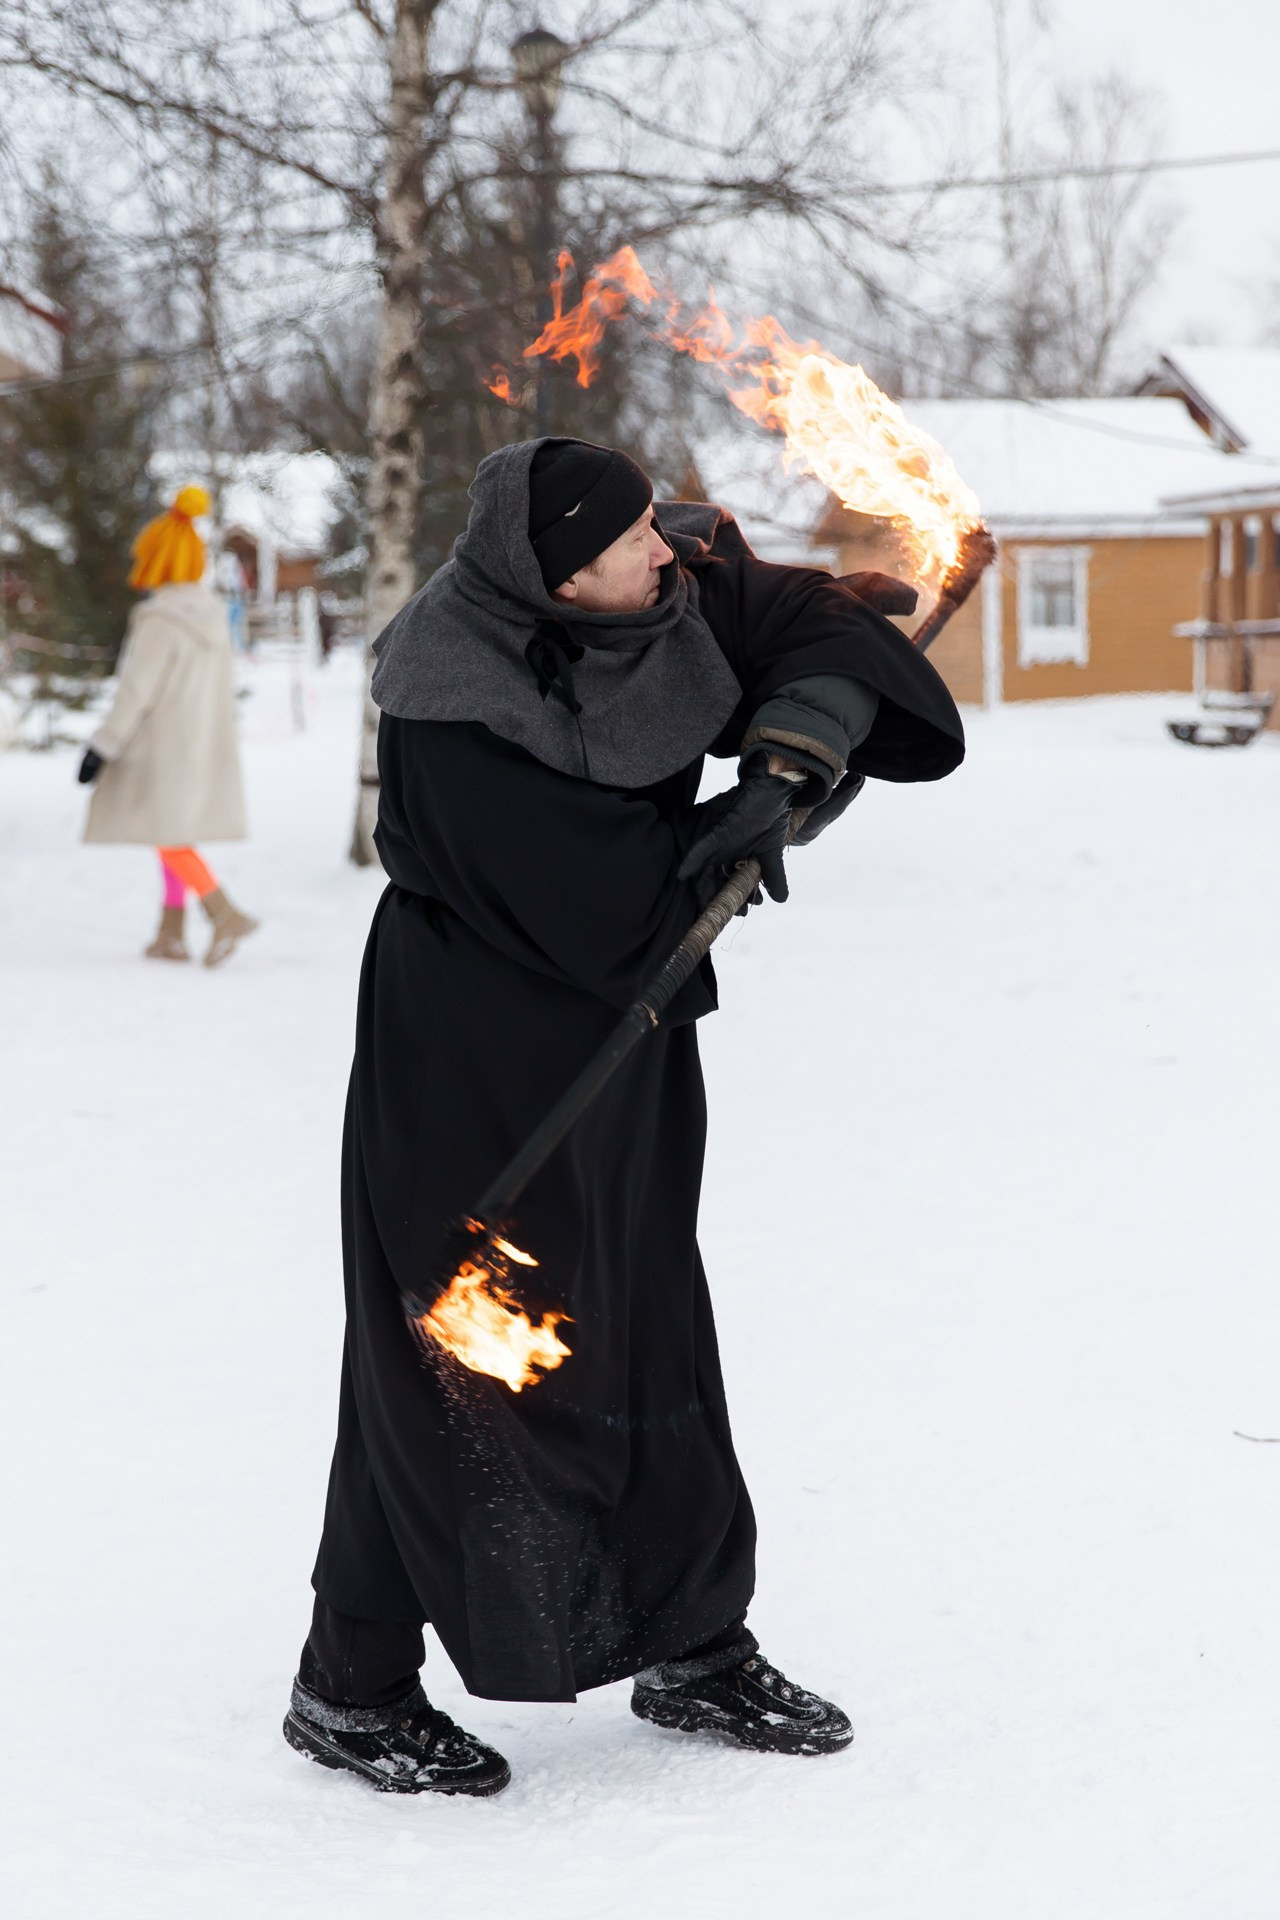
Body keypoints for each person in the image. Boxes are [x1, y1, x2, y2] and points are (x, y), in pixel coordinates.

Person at [283, 439, 964, 1797]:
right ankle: (348, 1684)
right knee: (468, 1351)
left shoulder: (668, 579)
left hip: (632, 1037)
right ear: (556, 572)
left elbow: (811, 627)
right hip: (479, 1058)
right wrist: (740, 828)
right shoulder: (451, 697)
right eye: (637, 539)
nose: (673, 551)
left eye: (661, 528)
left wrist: (786, 756)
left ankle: (693, 1644)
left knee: (650, 1316)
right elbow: (602, 906)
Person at [78, 486, 260, 968]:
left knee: (171, 836)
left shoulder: (160, 620)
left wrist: (102, 745)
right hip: (199, 743)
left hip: (160, 746)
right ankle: (171, 932)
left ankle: (223, 912)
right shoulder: (215, 618)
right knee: (171, 832)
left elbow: (137, 692)